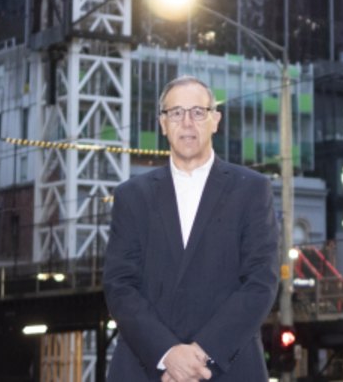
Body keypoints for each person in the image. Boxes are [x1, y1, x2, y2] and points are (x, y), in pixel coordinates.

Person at [103, 75, 279, 382]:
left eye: (198, 112)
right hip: (146, 368)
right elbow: (120, 285)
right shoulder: (131, 195)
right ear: (162, 123)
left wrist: (199, 355)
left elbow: (260, 282)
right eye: (176, 113)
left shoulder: (252, 189)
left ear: (215, 120)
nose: (187, 122)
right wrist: (167, 354)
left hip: (227, 366)